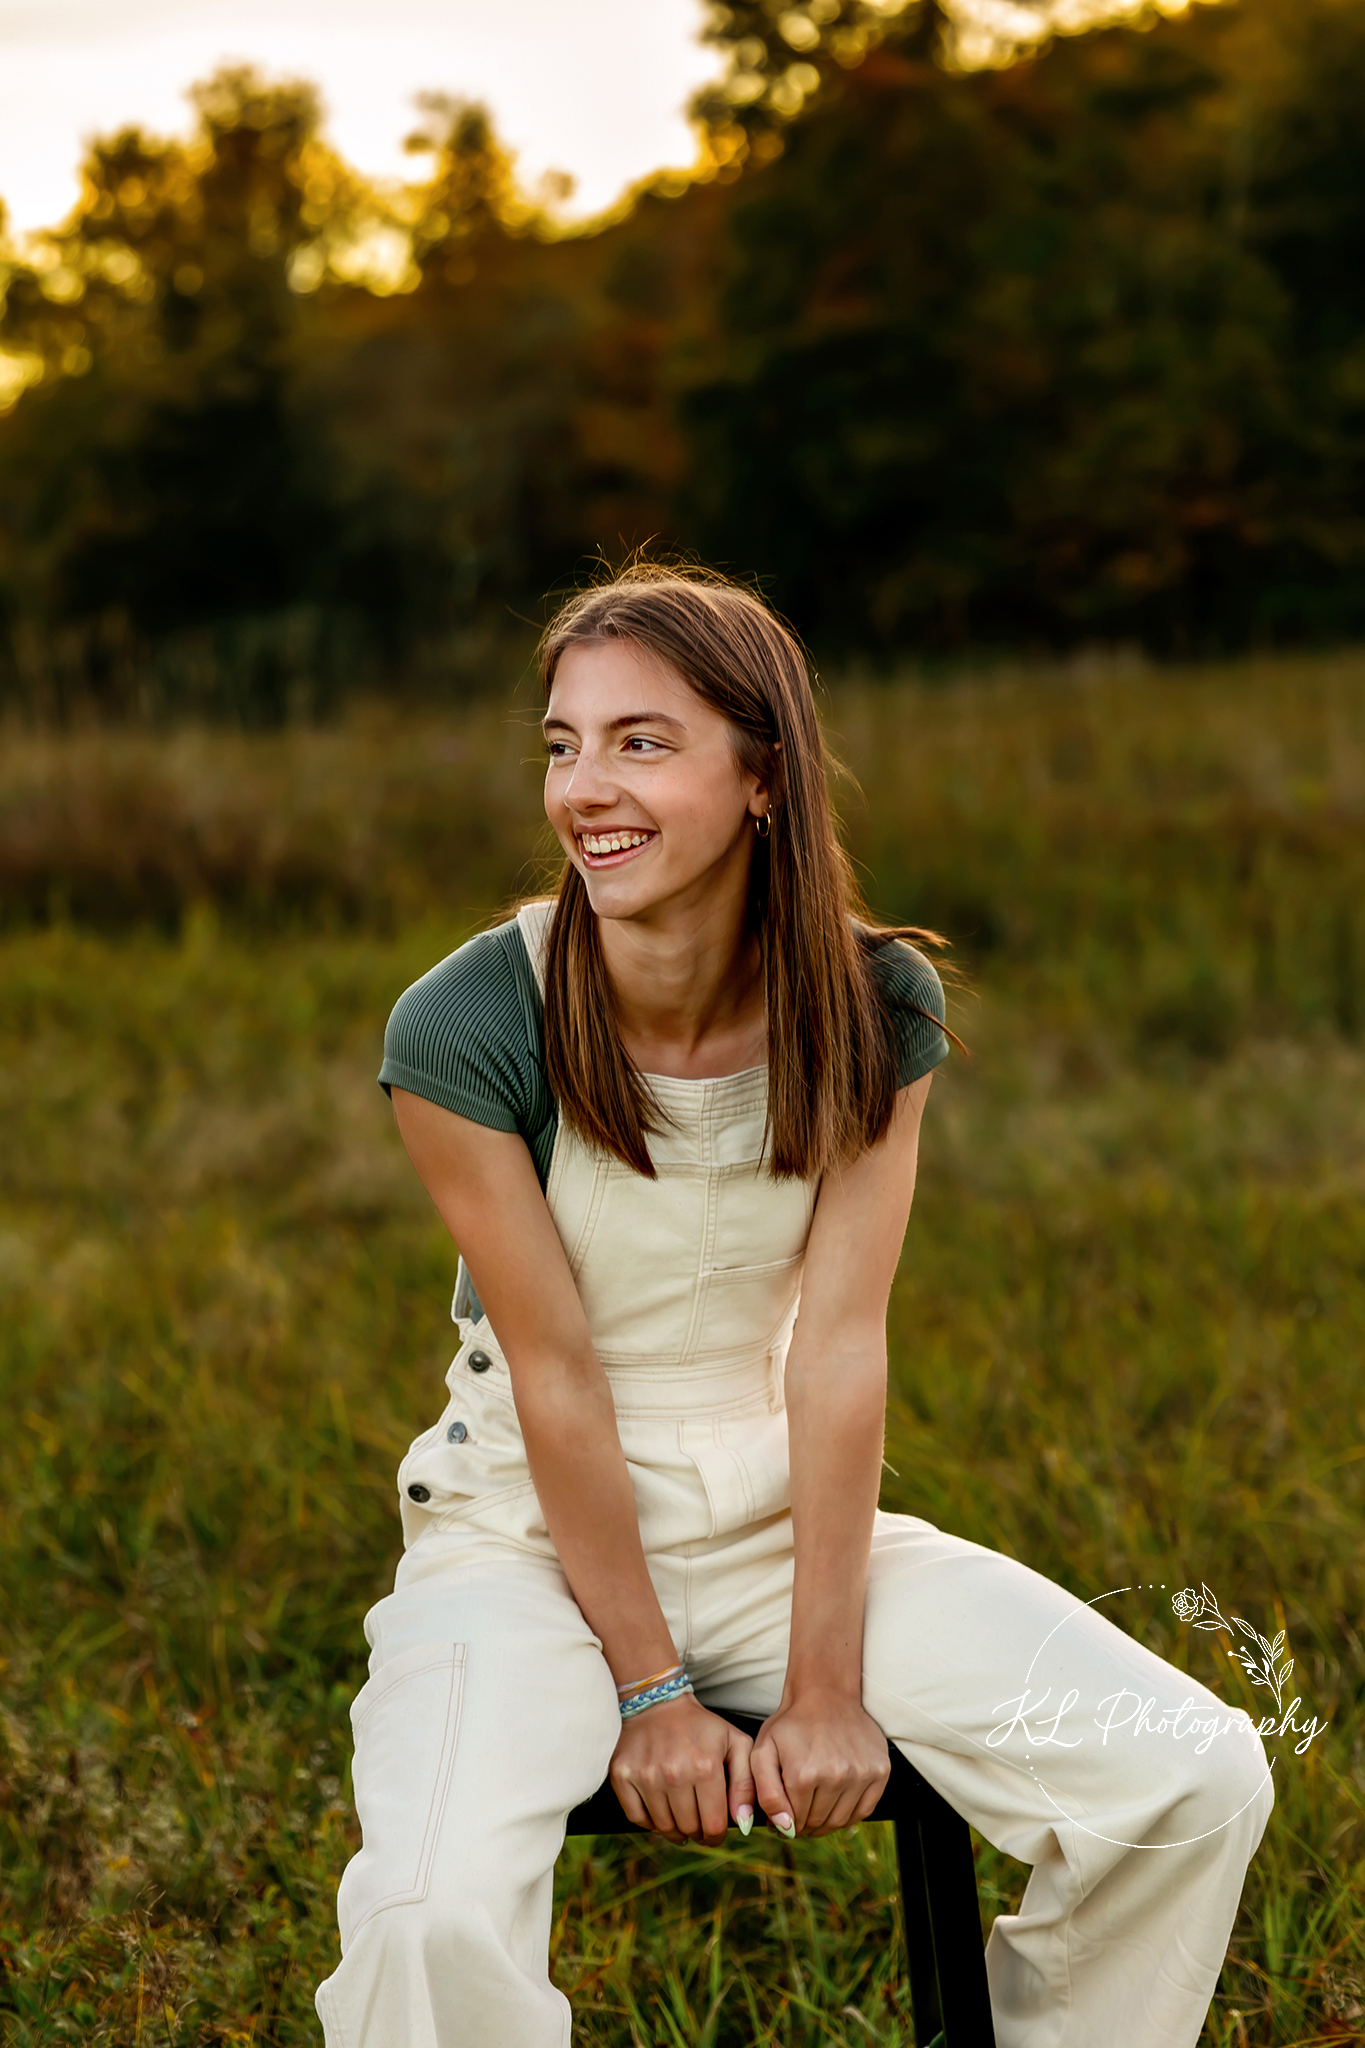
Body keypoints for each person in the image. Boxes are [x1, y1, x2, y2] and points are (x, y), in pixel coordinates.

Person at [315, 563, 1272, 2048]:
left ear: (763, 775)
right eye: (562, 745)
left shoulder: (874, 1008)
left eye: (643, 741)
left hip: (773, 1523)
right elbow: (557, 1377)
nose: (585, 788)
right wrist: (650, 1695)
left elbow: (836, 1348)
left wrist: (825, 1683)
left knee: (1195, 1774)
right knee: (425, 1916)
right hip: (519, 1533)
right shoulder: (467, 1017)